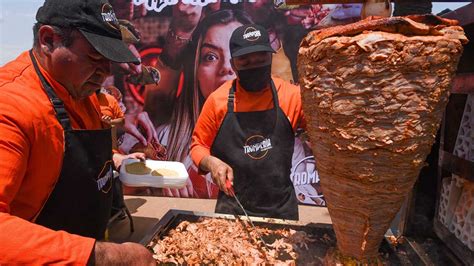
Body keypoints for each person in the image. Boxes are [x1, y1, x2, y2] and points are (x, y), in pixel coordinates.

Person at [0, 0, 155, 264]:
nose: (105, 73)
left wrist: (117, 157)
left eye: (109, 61)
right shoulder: (12, 107)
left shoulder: (83, 92)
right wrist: (102, 256)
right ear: (48, 40)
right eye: (95, 57)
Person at [121, 9, 253, 198]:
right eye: (210, 56)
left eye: (239, 55)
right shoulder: (164, 140)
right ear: (196, 71)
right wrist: (152, 178)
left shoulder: (287, 142)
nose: (226, 67)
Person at [190, 24, 304, 220]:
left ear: (271, 58)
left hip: (281, 208)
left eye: (261, 59)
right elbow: (197, 146)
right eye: (245, 61)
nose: (254, 66)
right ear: (234, 65)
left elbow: (323, 134)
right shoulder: (218, 100)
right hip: (232, 208)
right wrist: (212, 163)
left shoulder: (291, 96)